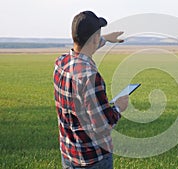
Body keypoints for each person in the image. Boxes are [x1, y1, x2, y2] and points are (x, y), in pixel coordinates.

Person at [53, 10, 129, 169]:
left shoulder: (61, 63)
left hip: (69, 155)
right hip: (94, 159)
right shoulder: (90, 77)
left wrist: (106, 39)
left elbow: (88, 45)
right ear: (94, 38)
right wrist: (118, 107)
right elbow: (103, 127)